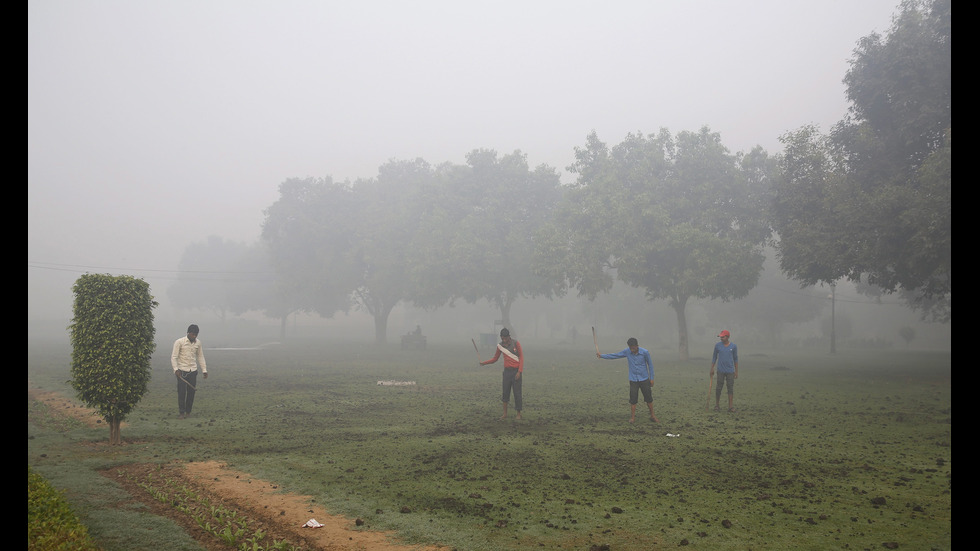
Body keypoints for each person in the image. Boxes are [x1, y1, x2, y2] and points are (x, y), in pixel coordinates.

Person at [597, 337, 659, 423]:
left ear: (637, 346)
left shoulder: (645, 352)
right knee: (633, 399)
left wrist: (651, 378)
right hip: (633, 379)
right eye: (630, 347)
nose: (632, 349)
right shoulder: (627, 352)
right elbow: (615, 355)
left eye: (633, 347)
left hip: (644, 379)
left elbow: (650, 366)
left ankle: (652, 415)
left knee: (648, 398)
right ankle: (632, 418)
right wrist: (602, 356)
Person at [480, 328, 523, 420]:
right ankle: (505, 414)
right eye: (502, 338)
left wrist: (519, 371)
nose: (504, 340)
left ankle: (518, 414)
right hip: (507, 372)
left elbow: (521, 357)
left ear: (509, 337)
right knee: (505, 393)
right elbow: (495, 359)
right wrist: (484, 363)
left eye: (505, 338)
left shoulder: (516, 343)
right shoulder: (500, 346)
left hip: (516, 371)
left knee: (517, 394)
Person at [171, 324, 207, 419]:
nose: (194, 336)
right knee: (182, 393)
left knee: (191, 393)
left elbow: (200, 356)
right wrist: (176, 370)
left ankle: (188, 412)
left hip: (193, 371)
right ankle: (181, 413)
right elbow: (174, 357)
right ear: (188, 333)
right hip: (181, 371)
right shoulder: (179, 342)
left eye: (196, 334)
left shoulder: (198, 343)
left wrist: (204, 370)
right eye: (192, 334)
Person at [710, 329, 739, 412]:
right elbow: (714, 357)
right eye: (720, 337)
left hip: (730, 371)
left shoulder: (733, 346)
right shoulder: (717, 346)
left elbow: (735, 359)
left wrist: (736, 371)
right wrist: (712, 368)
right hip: (720, 370)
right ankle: (717, 405)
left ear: (727, 337)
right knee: (718, 388)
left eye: (723, 337)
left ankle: (730, 407)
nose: (721, 338)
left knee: (730, 388)